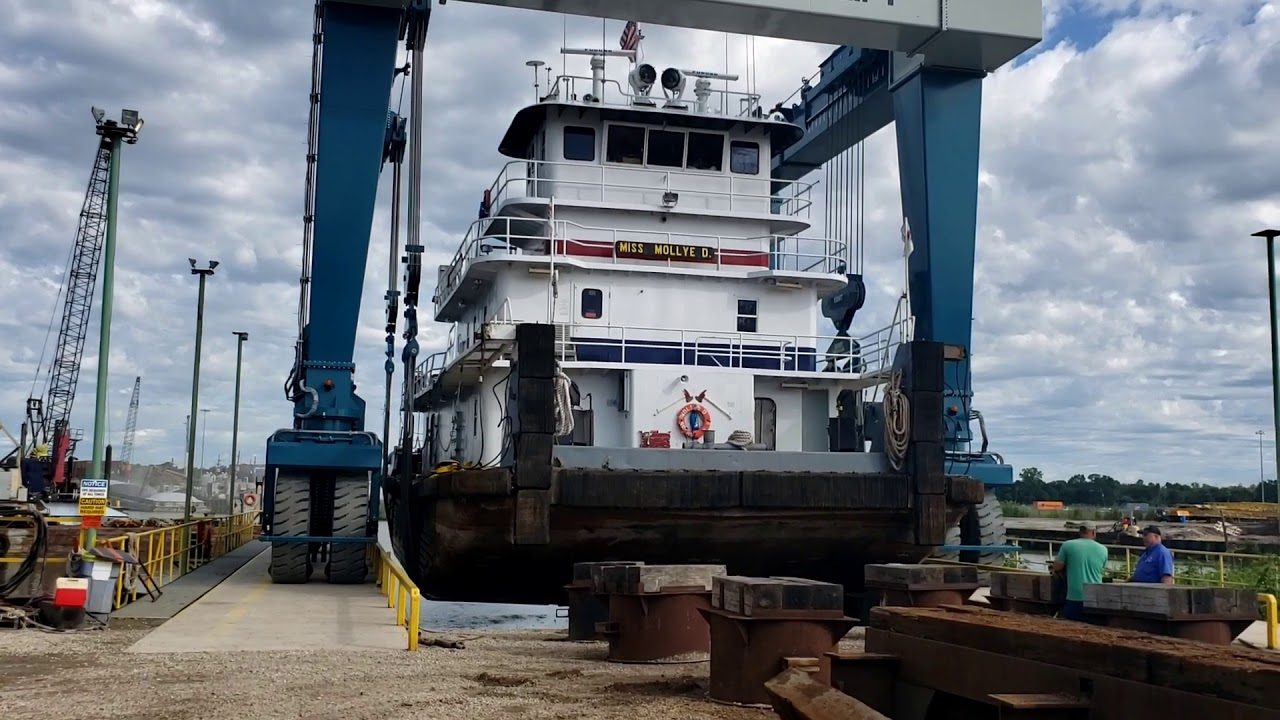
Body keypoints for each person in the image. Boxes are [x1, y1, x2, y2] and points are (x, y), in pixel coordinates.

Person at [1052, 521, 1109, 622]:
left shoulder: (1068, 545)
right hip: (1095, 598)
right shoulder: (1103, 549)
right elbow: (1102, 567)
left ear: (1080, 532)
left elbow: (1057, 567)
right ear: (1094, 532)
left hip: (1074, 597)